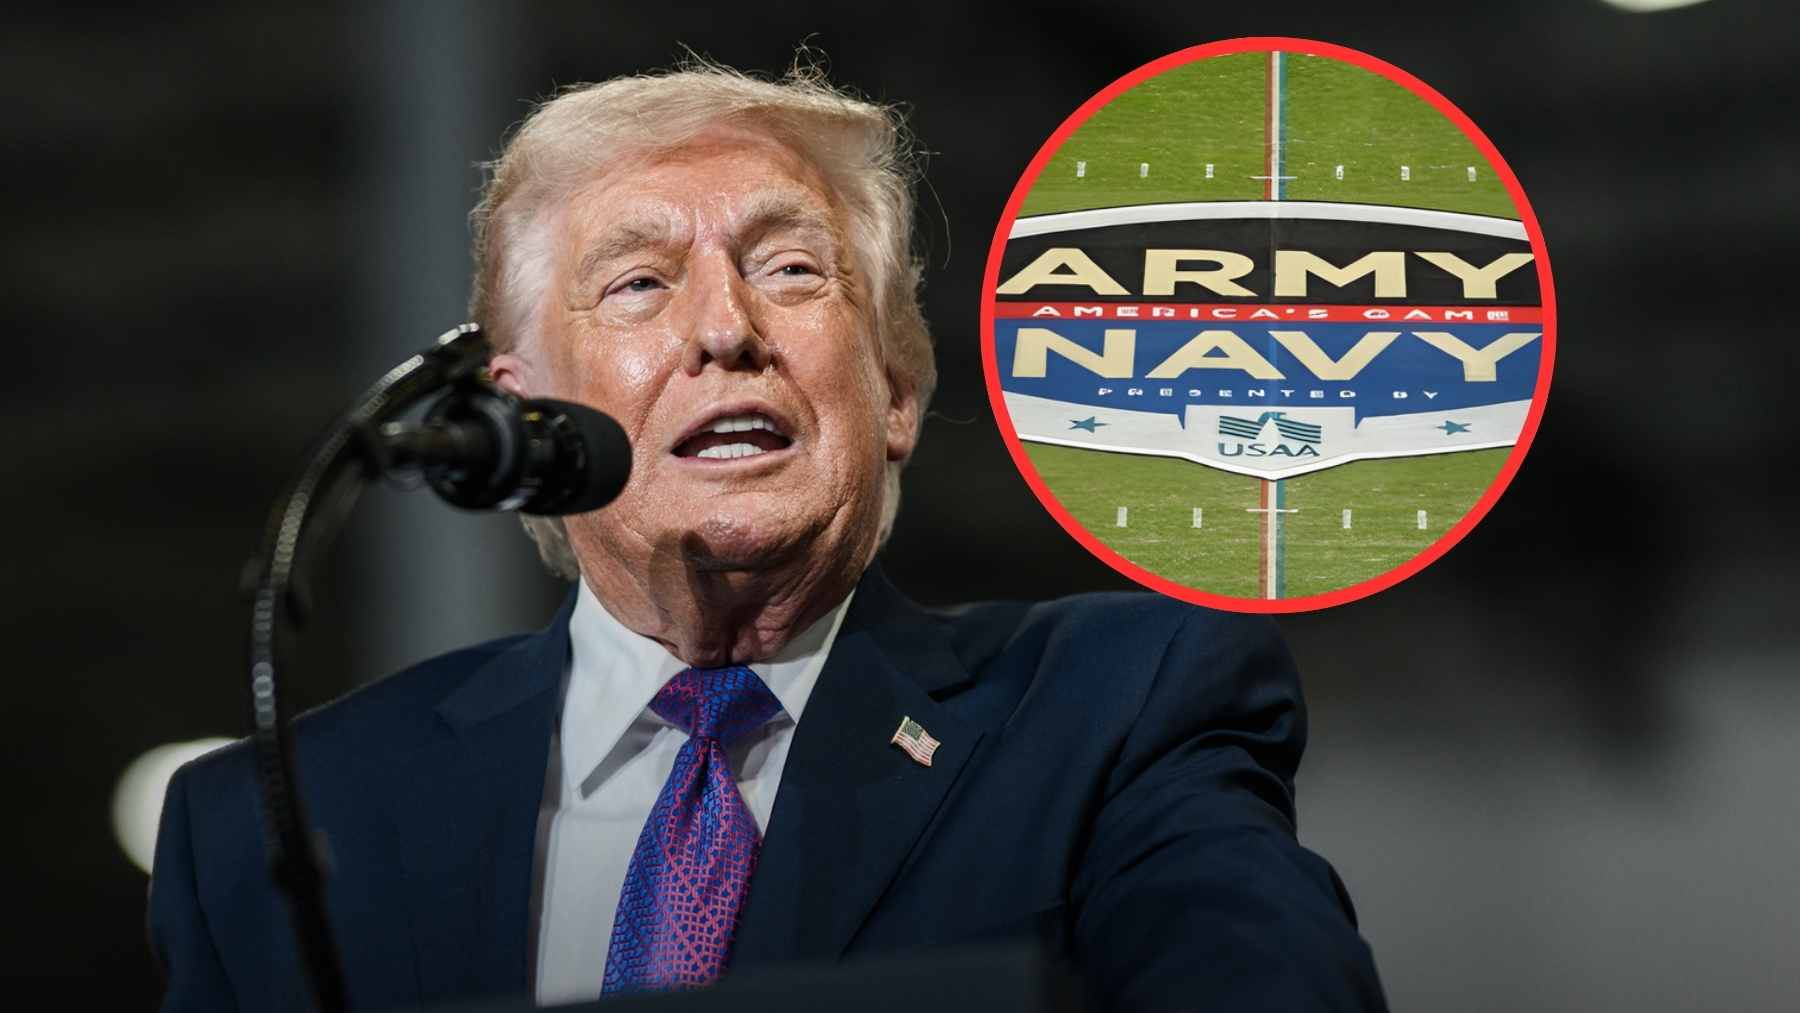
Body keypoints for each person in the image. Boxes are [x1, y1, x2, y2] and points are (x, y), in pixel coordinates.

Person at [148, 59, 1387, 1013]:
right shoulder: (269, 822)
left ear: (894, 392)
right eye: (637, 282)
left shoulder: (1116, 708)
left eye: (792, 269)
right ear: (528, 418)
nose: (724, 329)